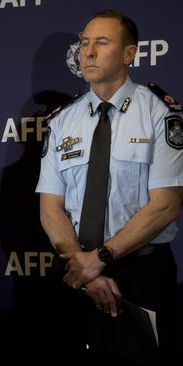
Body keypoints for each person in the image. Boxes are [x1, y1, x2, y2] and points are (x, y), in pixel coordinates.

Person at [36, 9, 182, 366]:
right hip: (76, 272)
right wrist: (83, 270)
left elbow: (165, 205)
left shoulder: (160, 115)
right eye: (84, 44)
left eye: (101, 43)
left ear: (129, 54)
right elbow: (50, 207)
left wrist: (98, 260)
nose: (87, 52)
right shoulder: (61, 121)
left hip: (141, 274)